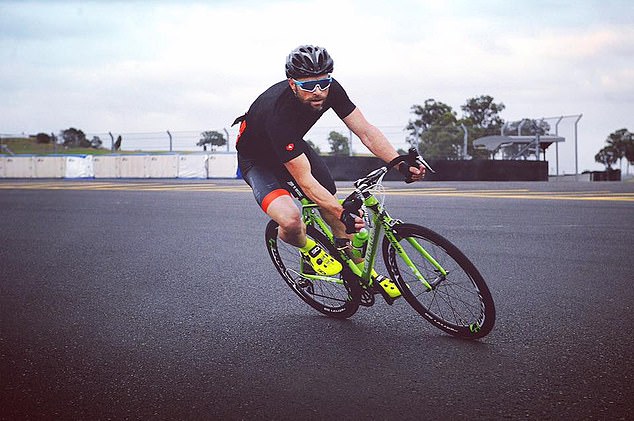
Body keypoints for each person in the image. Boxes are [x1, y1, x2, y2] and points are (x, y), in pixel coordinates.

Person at [234, 45, 424, 300]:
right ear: (292, 84)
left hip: (292, 147)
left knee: (332, 206)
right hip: (258, 160)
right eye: (308, 86)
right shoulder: (276, 112)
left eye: (323, 83)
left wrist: (399, 161)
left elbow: (365, 131)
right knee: (291, 219)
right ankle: (308, 247)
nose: (318, 92)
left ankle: (358, 270)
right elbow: (306, 183)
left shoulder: (331, 90)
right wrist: (341, 211)